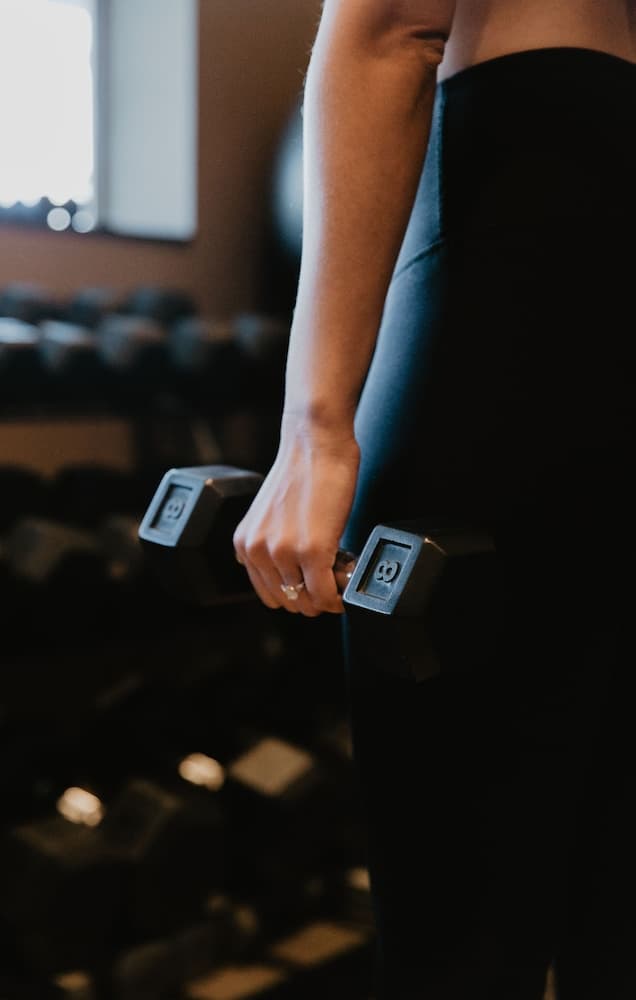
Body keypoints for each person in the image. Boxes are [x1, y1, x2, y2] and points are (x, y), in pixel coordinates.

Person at [234, 2, 636, 997]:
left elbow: (391, 27)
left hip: (534, 278)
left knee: (464, 944)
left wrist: (316, 429)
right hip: (559, 236)